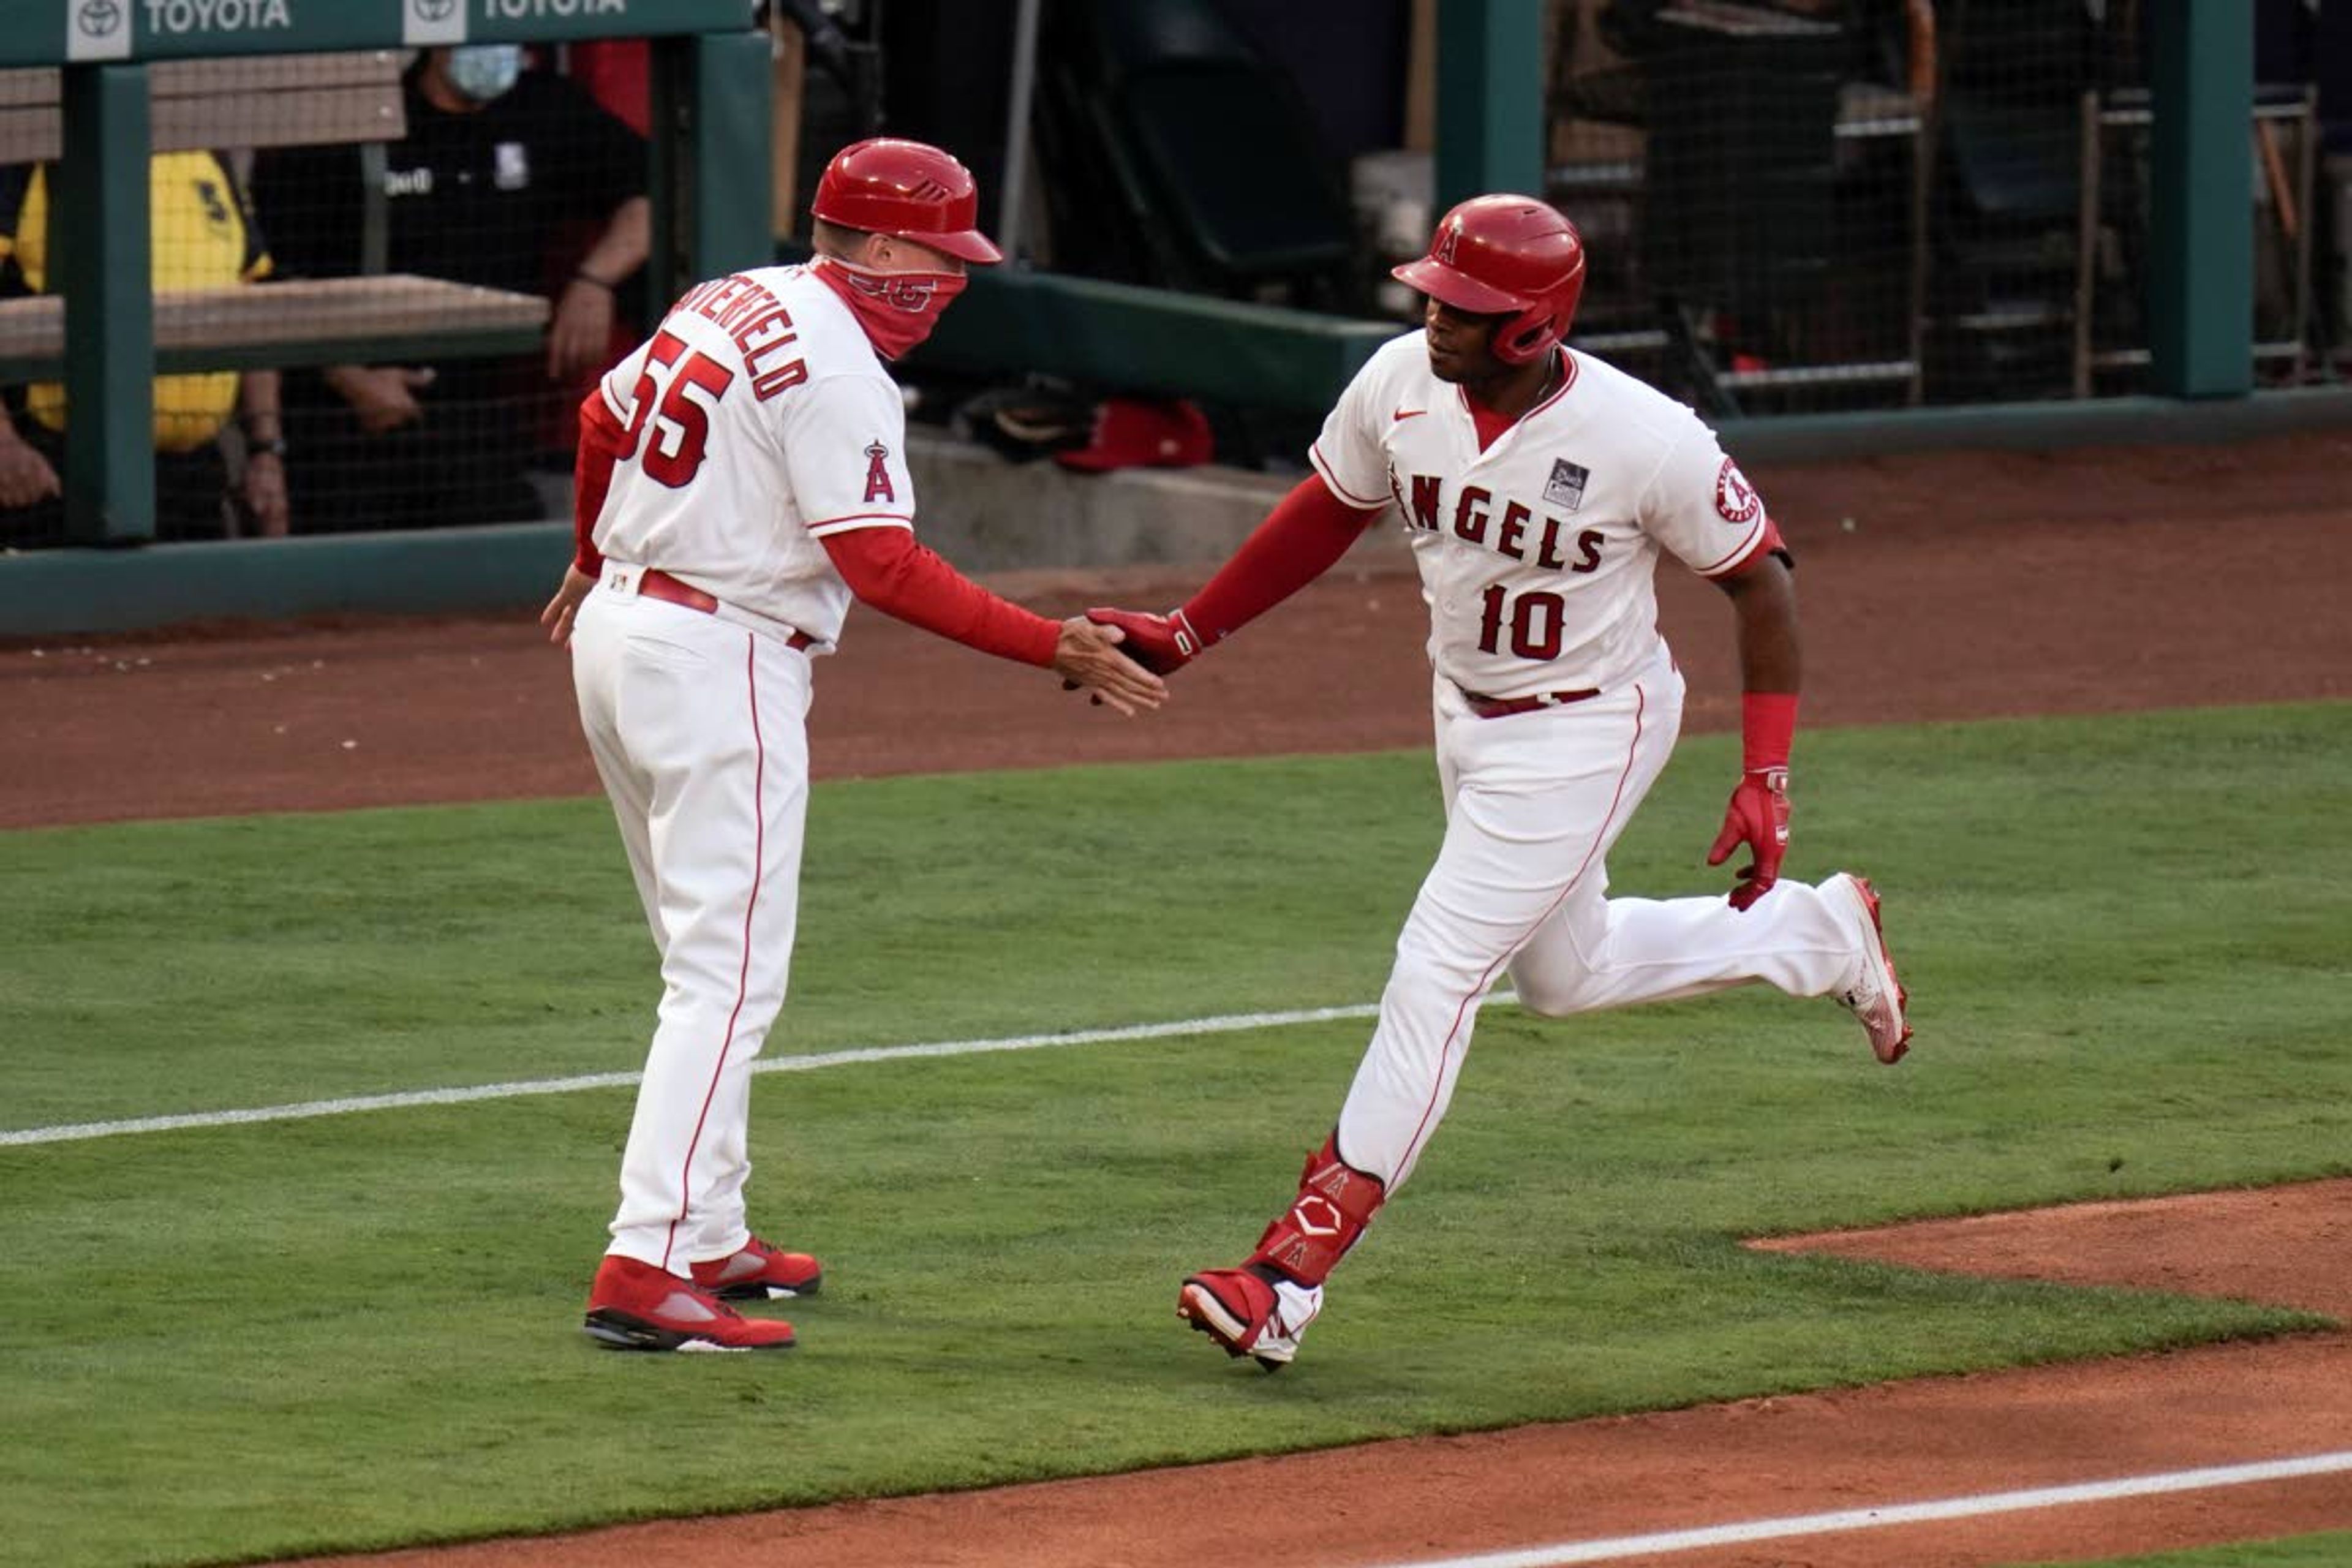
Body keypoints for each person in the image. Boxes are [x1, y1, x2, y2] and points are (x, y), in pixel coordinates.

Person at [1085, 194, 1912, 1371]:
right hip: (1464, 715)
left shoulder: (1648, 435)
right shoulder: (1397, 384)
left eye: (1465, 307)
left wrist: (1764, 772)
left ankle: (1288, 1274)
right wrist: (1187, 631)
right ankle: (1819, 937)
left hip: (1588, 730)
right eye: (1433, 293)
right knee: (1567, 978)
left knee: (1437, 972)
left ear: (1531, 328)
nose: (1435, 316)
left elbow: (1761, 578)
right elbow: (1328, 511)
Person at [538, 138, 1167, 1353]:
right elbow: (879, 566)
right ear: (879, 247)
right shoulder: (838, 365)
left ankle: (707, 1223)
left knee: (698, 953)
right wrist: (1054, 645)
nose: (953, 282)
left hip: (620, 633)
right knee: (724, 975)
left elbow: (599, 418)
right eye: (939, 258)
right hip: (718, 659)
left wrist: (584, 551)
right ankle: (647, 1259)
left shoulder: (728, 294)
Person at [250, 45, 650, 532]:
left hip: (475, 415)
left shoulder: (541, 108)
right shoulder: (361, 120)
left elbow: (654, 194)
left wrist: (595, 280)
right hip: (352, 424)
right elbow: (275, 277)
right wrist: (349, 375)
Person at [0, 153, 287, 543]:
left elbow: (251, 303)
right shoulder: (30, 152)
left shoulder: (207, 153)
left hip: (193, 477)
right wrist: (4, 443)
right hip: (55, 475)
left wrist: (265, 450)